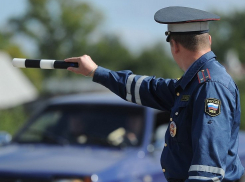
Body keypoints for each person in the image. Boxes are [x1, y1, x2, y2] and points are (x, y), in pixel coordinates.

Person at [65, 6, 244, 182]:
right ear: (209, 40)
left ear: (174, 45)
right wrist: (96, 72)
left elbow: (206, 172)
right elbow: (147, 88)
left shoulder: (209, 85)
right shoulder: (196, 82)